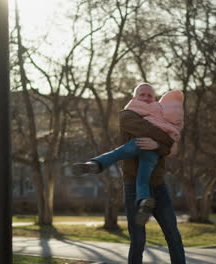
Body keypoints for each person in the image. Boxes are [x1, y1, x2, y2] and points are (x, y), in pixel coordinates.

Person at [74, 83, 186, 263]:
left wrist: (157, 145)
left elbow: (171, 146)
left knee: (173, 235)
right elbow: (165, 138)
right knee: (138, 240)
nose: (146, 98)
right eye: (142, 94)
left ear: (155, 100)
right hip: (132, 184)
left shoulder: (161, 117)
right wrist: (166, 140)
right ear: (135, 98)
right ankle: (94, 165)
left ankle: (97, 164)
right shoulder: (127, 115)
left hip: (158, 185)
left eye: (150, 95)